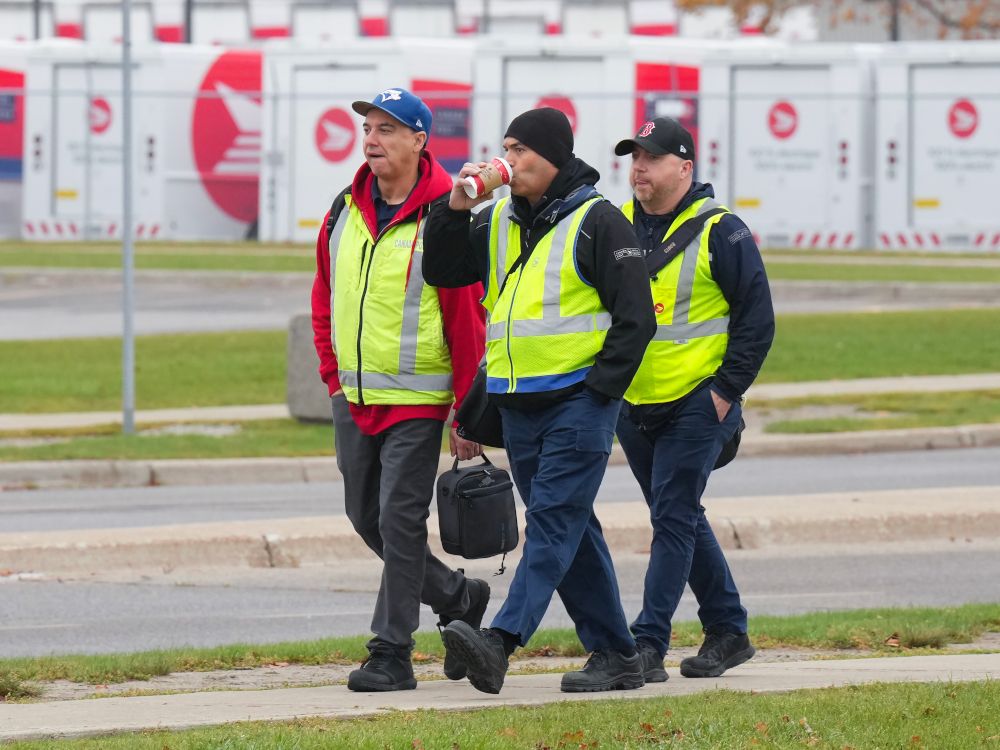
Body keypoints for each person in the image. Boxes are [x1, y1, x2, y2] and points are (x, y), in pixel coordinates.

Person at [422, 107, 657, 694]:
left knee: (551, 524)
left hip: (579, 403)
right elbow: (443, 270)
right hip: (517, 405)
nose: (512, 159)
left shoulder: (599, 221)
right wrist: (455, 208)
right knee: (573, 529)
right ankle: (618, 655)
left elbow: (636, 320)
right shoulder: (500, 217)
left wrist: (599, 393)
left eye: (522, 150)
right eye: (507, 147)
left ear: (554, 158)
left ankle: (500, 642)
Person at [310, 87, 490, 692]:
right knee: (367, 519)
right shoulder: (344, 208)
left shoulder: (448, 211)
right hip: (353, 395)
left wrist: (467, 412)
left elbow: (466, 318)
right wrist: (333, 375)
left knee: (400, 520)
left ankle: (392, 652)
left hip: (417, 401)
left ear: (419, 140)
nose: (371, 139)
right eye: (367, 128)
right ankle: (458, 596)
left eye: (388, 129)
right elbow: (323, 294)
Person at [612, 117, 775, 681]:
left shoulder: (721, 230)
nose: (638, 168)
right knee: (675, 513)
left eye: (651, 159)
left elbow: (758, 321)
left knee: (674, 519)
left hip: (697, 404)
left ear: (684, 167)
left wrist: (725, 394)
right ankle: (729, 630)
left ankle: (646, 645)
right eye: (633, 158)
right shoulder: (615, 227)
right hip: (634, 406)